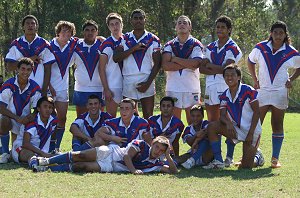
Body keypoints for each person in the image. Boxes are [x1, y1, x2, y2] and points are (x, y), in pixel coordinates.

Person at [248, 21, 300, 168]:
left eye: (281, 33)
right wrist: (254, 79)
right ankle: (250, 156)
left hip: (280, 92)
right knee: (256, 124)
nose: (278, 36)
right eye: (275, 32)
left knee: (277, 124)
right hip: (262, 91)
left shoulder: (290, 51)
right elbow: (250, 61)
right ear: (271, 33)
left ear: (285, 35)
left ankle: (275, 159)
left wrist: (291, 79)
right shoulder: (261, 47)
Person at [201, 15, 242, 165]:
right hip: (210, 88)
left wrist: (211, 66)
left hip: (226, 88)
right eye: (218, 27)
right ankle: (216, 158)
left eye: (223, 27)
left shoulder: (233, 47)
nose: (219, 30)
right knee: (212, 123)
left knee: (227, 122)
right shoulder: (210, 46)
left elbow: (228, 70)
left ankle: (229, 158)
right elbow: (201, 67)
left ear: (229, 30)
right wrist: (216, 68)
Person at [203, 65, 262, 169]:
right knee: (212, 126)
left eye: (232, 75)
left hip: (251, 131)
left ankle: (258, 157)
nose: (229, 78)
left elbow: (257, 112)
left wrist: (251, 133)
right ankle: (218, 160)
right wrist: (229, 123)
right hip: (236, 130)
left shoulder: (248, 90)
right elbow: (222, 116)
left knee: (245, 167)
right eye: (226, 75)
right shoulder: (225, 95)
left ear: (238, 77)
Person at [34, 136, 178, 174]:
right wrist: (134, 170)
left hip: (111, 167)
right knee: (81, 155)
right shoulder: (140, 144)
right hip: (111, 153)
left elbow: (173, 171)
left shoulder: (156, 164)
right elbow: (127, 156)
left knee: (80, 166)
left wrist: (168, 156)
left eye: (161, 150)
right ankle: (46, 161)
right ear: (152, 143)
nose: (157, 151)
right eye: (157, 147)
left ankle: (46, 169)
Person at [113, 9, 161, 119]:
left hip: (147, 79)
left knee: (148, 116)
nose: (138, 20)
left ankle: (147, 137)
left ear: (145, 20)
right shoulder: (123, 39)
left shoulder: (153, 39)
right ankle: (131, 137)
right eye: (135, 18)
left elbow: (158, 64)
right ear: (131, 21)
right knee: (129, 116)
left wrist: (148, 83)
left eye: (141, 18)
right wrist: (133, 48)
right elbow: (116, 58)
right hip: (129, 80)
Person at [162, 15, 203, 124]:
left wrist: (175, 59)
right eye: (179, 23)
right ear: (175, 27)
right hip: (173, 88)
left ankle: (194, 141)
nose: (181, 25)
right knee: (174, 123)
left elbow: (196, 63)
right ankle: (174, 142)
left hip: (192, 88)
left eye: (185, 23)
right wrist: (188, 63)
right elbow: (166, 65)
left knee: (194, 122)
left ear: (190, 27)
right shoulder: (169, 44)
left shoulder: (196, 44)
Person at [0, 58, 41, 163]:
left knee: (18, 150)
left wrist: (32, 115)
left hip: (25, 122)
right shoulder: (8, 84)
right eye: (22, 69)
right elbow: (1, 107)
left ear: (31, 71)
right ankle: (5, 153)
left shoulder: (34, 87)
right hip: (11, 119)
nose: (25, 72)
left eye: (28, 69)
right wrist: (17, 118)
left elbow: (37, 108)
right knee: (3, 120)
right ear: (17, 69)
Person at [5, 15, 55, 96]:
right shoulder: (16, 44)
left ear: (36, 27)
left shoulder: (44, 44)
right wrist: (29, 59)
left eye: (33, 23)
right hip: (20, 90)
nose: (30, 25)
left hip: (39, 89)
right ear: (23, 27)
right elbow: (9, 67)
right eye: (27, 23)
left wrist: (44, 90)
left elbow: (48, 70)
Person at [49, 20, 78, 151]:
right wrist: (48, 86)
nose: (66, 33)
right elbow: (43, 69)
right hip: (49, 89)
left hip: (63, 89)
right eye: (64, 30)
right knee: (48, 119)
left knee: (62, 119)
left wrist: (100, 37)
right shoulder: (48, 45)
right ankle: (46, 146)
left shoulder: (72, 45)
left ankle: (56, 147)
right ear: (58, 32)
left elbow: (86, 39)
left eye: (69, 31)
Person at [11, 97, 57, 166]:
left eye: (50, 107)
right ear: (38, 109)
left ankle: (41, 160)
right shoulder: (32, 122)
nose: (48, 109)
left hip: (40, 152)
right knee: (30, 154)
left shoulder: (53, 121)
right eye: (45, 106)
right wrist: (42, 153)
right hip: (22, 148)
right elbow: (25, 144)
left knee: (58, 156)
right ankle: (34, 164)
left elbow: (55, 131)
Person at [73, 20, 105, 117]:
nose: (90, 32)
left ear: (97, 32)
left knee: (99, 120)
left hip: (99, 88)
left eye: (93, 30)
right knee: (81, 120)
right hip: (81, 88)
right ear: (83, 32)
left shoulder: (103, 45)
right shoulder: (76, 45)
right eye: (87, 30)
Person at [99, 13, 123, 117]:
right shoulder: (106, 44)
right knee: (110, 117)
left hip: (127, 84)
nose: (115, 27)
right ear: (109, 27)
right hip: (113, 85)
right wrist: (106, 89)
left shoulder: (127, 40)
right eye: (112, 24)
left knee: (131, 117)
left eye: (117, 23)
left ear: (121, 25)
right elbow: (101, 68)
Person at [180, 105, 213, 169]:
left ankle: (192, 160)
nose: (195, 118)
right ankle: (162, 164)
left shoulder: (206, 123)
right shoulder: (188, 128)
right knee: (179, 159)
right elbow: (190, 142)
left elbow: (207, 134)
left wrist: (197, 140)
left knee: (206, 141)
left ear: (203, 116)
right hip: (193, 152)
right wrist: (196, 135)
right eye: (193, 116)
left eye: (198, 116)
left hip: (207, 155)